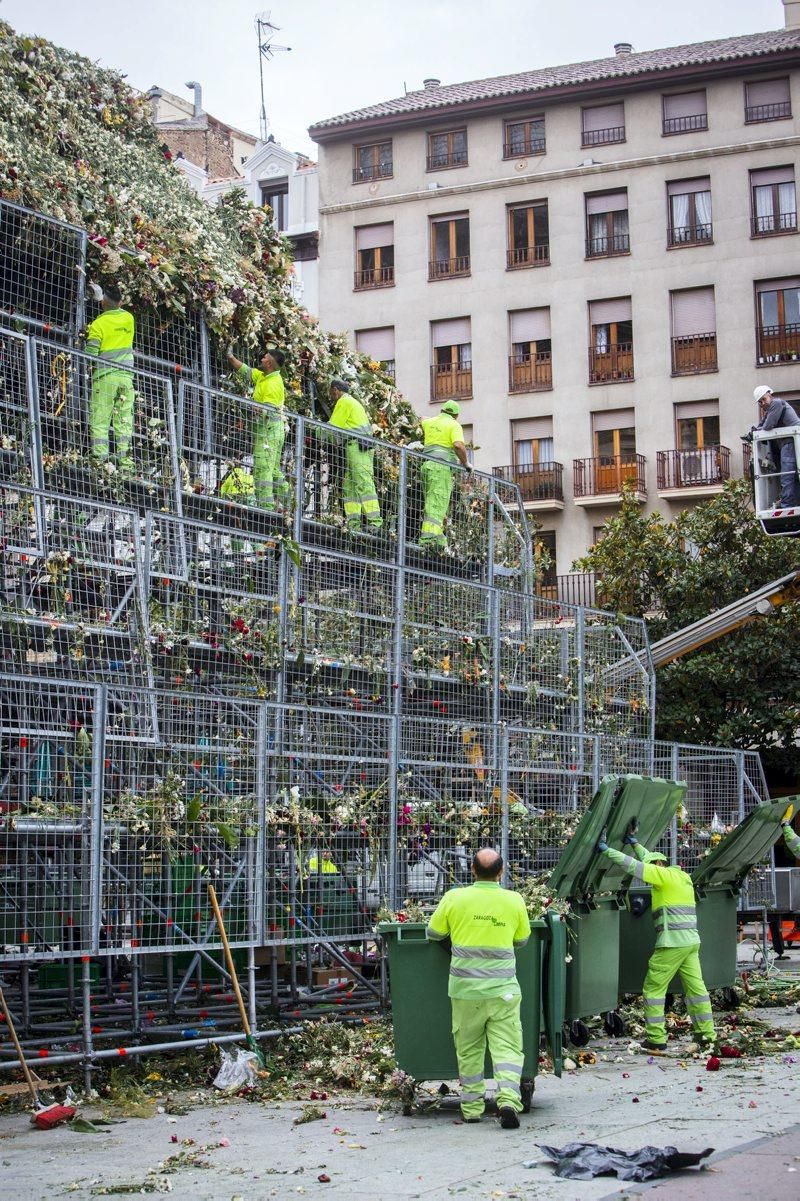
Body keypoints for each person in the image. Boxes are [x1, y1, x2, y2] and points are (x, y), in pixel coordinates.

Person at [426, 847, 531, 1129]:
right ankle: (508, 1101)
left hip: (465, 991)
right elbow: (522, 940)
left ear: (472, 870)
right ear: (501, 872)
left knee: (469, 1049)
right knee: (508, 1049)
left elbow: (433, 933)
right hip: (503, 992)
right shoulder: (514, 900)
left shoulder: (455, 897)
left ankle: (472, 1109)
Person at [597, 820, 715, 1051]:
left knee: (653, 990)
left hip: (671, 943)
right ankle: (706, 1035)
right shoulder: (681, 877)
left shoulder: (662, 877)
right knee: (697, 990)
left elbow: (634, 867)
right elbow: (647, 859)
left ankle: (656, 1038)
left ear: (657, 867)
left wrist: (606, 849)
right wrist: (634, 843)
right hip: (691, 942)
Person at [227, 347, 287, 510]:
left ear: (269, 363)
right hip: (269, 432)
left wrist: (246, 405)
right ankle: (291, 504)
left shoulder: (273, 384)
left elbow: (266, 411)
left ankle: (265, 508)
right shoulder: (263, 376)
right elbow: (245, 370)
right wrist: (230, 357)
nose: (261, 359)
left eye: (264, 357)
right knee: (273, 471)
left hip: (269, 433)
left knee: (263, 470)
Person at [85, 282, 135, 472]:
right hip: (126, 378)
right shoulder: (129, 319)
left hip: (105, 377)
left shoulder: (98, 324)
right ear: (120, 301)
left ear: (102, 301)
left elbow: (90, 353)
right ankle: (127, 466)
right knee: (124, 422)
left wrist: (86, 336)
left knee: (100, 420)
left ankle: (100, 462)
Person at [327, 378, 382, 533]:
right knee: (350, 485)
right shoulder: (353, 402)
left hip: (357, 447)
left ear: (336, 390)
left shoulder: (344, 402)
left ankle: (375, 522)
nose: (331, 395)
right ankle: (354, 523)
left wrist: (312, 430)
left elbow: (333, 427)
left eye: (331, 392)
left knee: (363, 483)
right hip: (355, 447)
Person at [417, 400, 470, 550]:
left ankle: (440, 541)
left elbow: (422, 418)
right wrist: (466, 463)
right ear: (456, 415)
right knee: (436, 505)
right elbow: (458, 445)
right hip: (441, 469)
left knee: (432, 504)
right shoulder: (454, 425)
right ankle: (428, 541)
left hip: (426, 467)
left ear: (441, 411)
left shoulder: (429, 422)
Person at [752, 384, 800, 508]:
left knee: (787, 475)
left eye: (764, 399)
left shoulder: (776, 403)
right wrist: (754, 431)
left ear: (770, 395)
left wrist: (759, 429)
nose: (762, 403)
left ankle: (786, 505)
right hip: (788, 443)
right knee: (792, 475)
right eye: (760, 402)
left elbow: (768, 426)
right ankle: (791, 502)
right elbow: (760, 426)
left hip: (790, 442)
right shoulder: (770, 410)